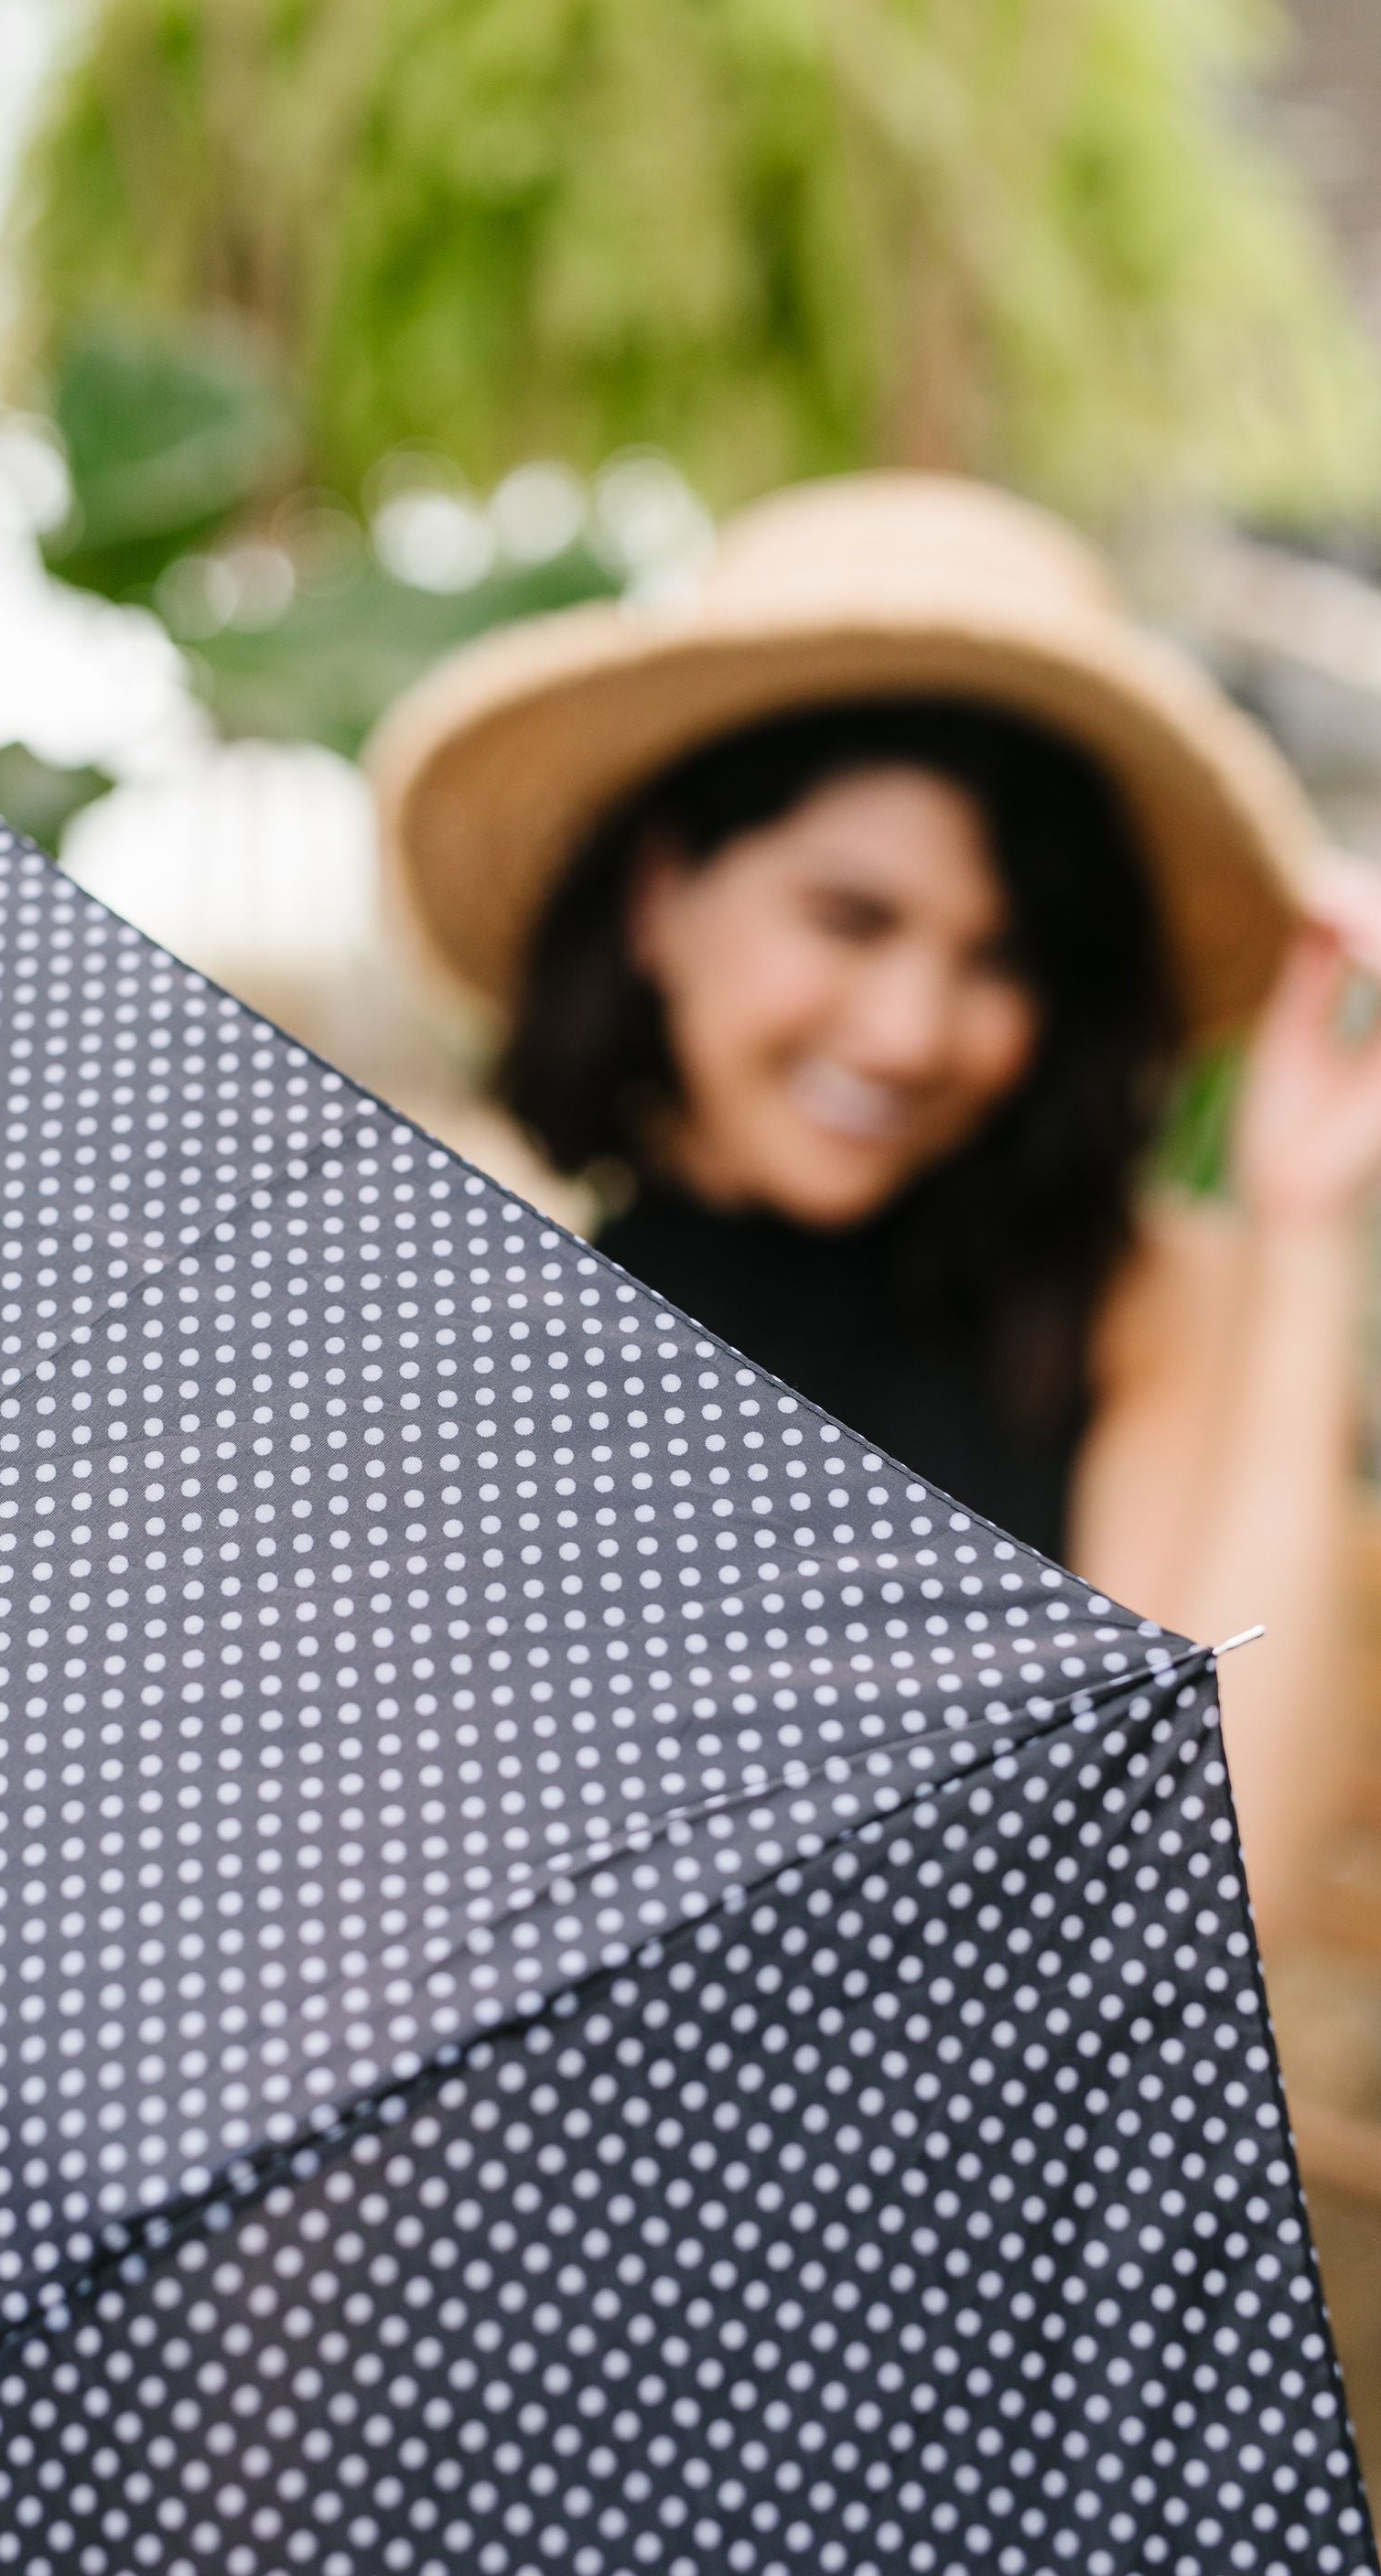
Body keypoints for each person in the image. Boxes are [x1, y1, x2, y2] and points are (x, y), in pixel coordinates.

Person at [371, 474, 1381, 1945]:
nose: (913, 1030)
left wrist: (1302, 1228)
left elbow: (1222, 1873)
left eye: (1002, 958)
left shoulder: (1148, 1299)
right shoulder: (492, 1324)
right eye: (851, 918)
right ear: (664, 895)